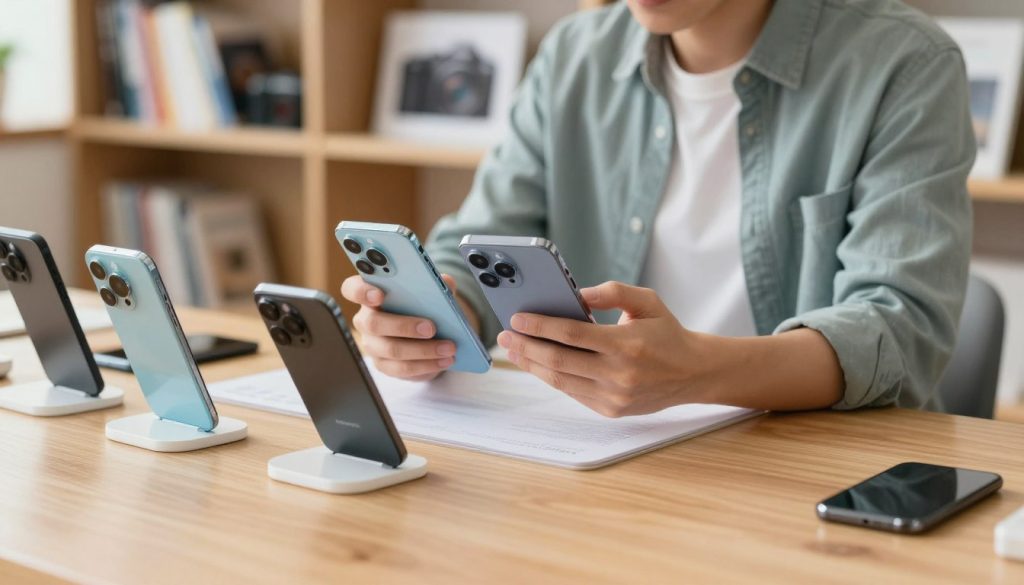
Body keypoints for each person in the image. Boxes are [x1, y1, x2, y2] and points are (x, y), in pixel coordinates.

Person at [342, 0, 975, 417]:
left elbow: (898, 329)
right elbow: (476, 242)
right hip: (605, 462)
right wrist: (432, 315)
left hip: (810, 470)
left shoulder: (905, 64)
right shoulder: (574, 57)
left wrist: (697, 373)